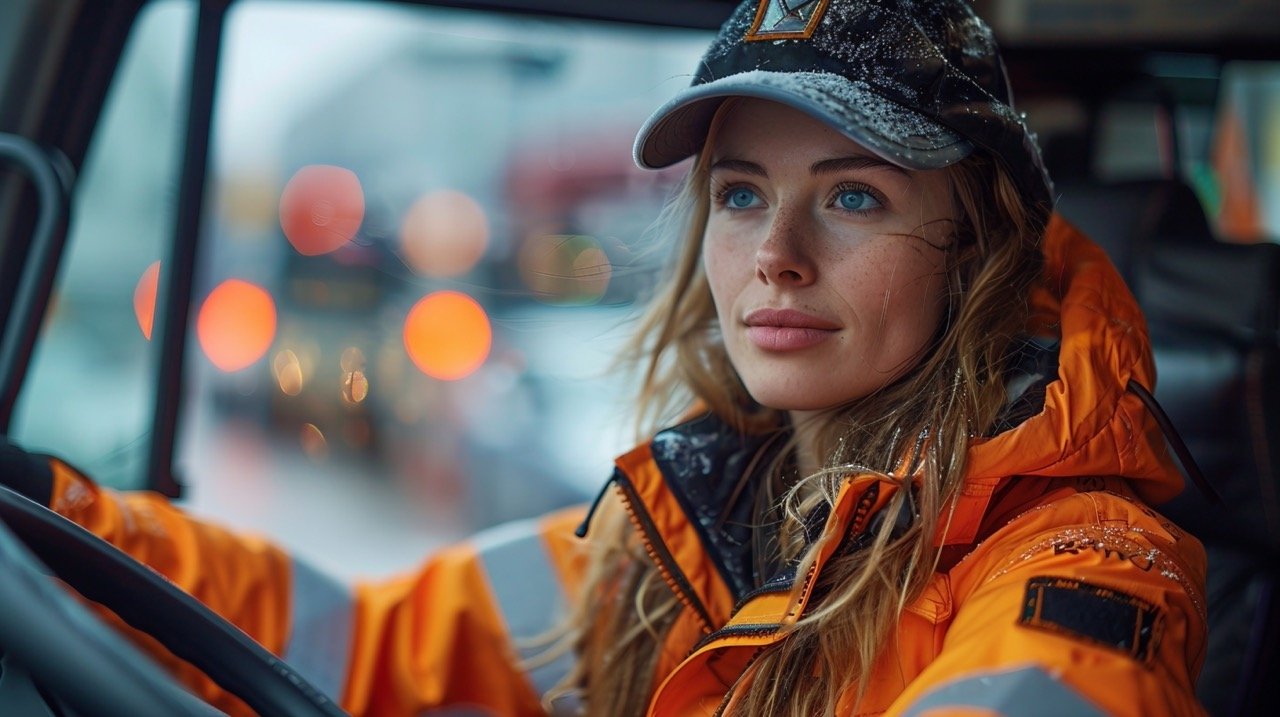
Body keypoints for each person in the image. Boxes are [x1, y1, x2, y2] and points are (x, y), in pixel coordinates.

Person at [0, 0, 1209, 715]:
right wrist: (53, 512)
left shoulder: (1085, 570)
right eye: (741, 195)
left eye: (849, 200)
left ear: (974, 247)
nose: (774, 255)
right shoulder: (684, 526)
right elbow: (358, 650)